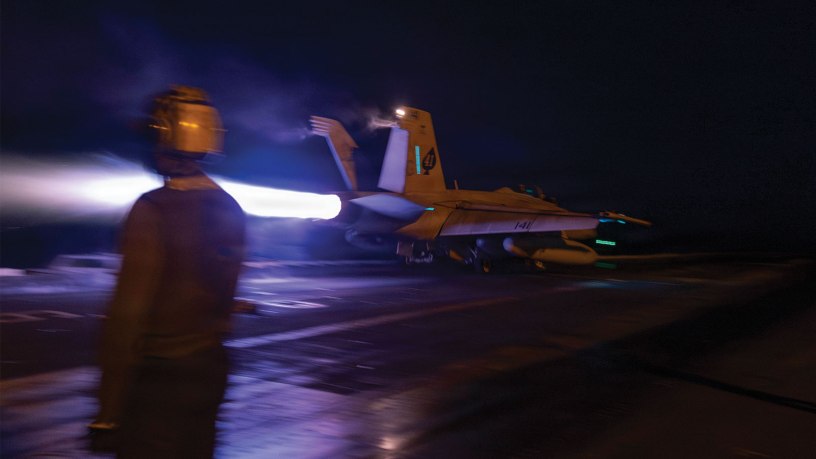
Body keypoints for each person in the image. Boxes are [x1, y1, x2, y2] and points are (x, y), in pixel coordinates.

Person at [89, 85, 245, 458]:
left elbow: (126, 320)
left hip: (158, 386)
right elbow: (225, 299)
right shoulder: (230, 208)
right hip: (209, 371)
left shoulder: (151, 210)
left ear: (163, 135)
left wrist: (108, 415)